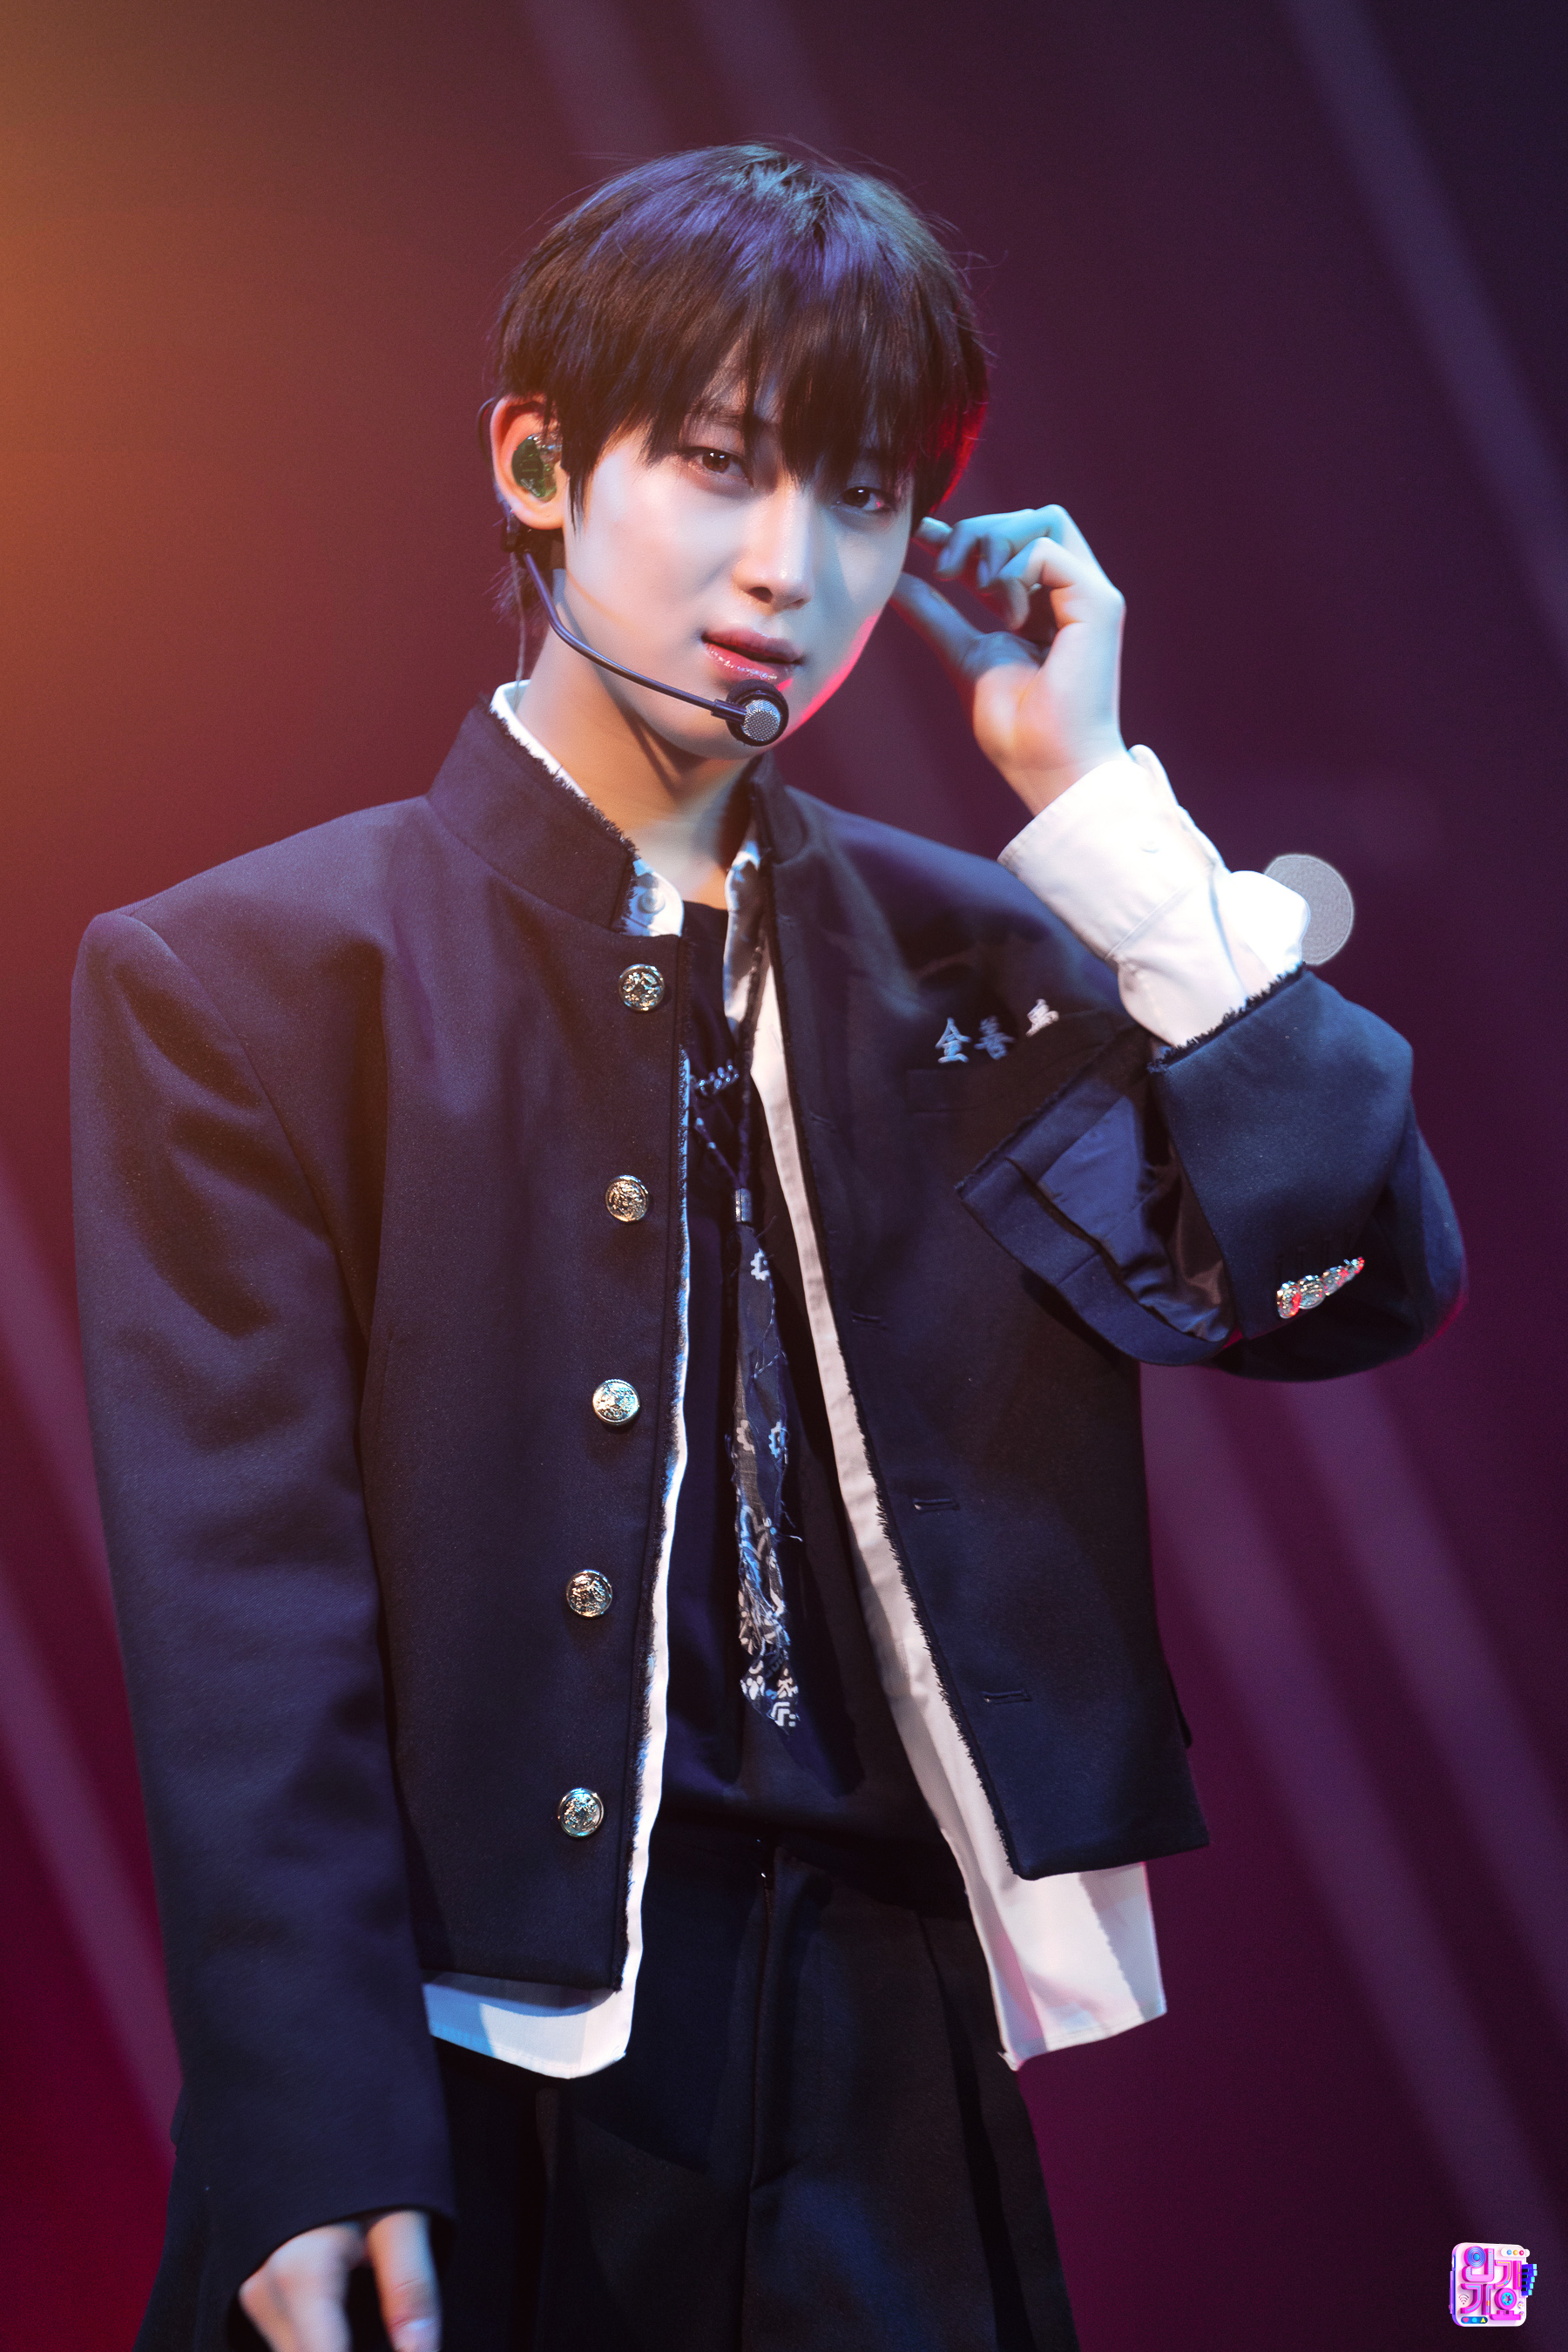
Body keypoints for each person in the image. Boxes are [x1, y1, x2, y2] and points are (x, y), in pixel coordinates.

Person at [72, 145, 1463, 2352]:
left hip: (890, 2076)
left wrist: (1099, 808)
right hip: (466, 2062)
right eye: (719, 467)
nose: (786, 570)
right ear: (539, 464)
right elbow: (247, 1618)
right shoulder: (253, 981)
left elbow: (1362, 1273)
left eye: (863, 499)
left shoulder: (983, 957)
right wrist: (305, 2123)